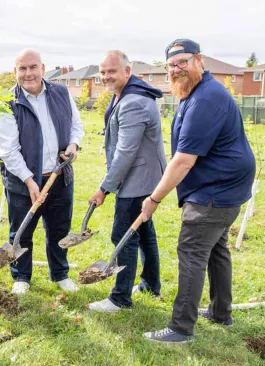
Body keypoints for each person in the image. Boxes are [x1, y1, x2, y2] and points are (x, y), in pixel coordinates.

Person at [141, 39, 256, 344]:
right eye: (171, 65)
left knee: (191, 252)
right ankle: (221, 312)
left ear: (199, 60)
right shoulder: (196, 91)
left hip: (216, 190)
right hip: (227, 185)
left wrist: (153, 199)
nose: (177, 69)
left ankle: (181, 328)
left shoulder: (206, 98)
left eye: (183, 62)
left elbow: (183, 161)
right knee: (217, 248)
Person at [0, 49, 84, 295]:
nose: (28, 73)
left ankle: (60, 274)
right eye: (22, 68)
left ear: (43, 68)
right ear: (15, 72)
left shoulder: (61, 93)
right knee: (21, 230)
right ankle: (21, 276)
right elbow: (8, 151)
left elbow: (76, 125)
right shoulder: (5, 104)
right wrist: (29, 181)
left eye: (33, 67)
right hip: (23, 181)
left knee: (59, 229)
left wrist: (74, 144)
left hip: (59, 176)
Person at [86, 50, 166, 312]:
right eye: (103, 72)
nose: (106, 76)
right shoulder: (127, 95)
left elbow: (125, 152)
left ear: (127, 72)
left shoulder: (133, 102)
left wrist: (104, 189)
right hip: (146, 177)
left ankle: (120, 298)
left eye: (112, 71)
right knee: (143, 232)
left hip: (138, 180)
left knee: (123, 234)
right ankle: (150, 284)